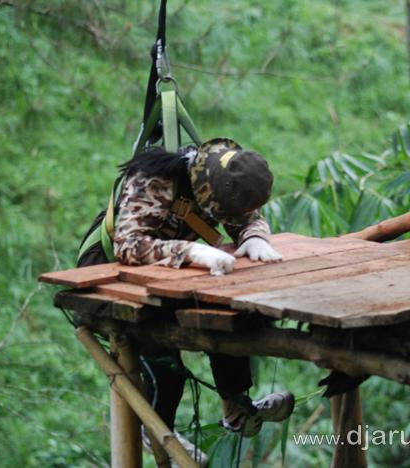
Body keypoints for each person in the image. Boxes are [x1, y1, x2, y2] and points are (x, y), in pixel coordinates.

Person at [77, 138, 295, 462]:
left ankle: (237, 408)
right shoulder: (156, 180)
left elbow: (247, 218)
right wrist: (190, 251)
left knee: (229, 318)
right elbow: (129, 246)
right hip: (109, 275)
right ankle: (156, 429)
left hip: (168, 276)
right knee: (164, 362)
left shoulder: (226, 180)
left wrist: (254, 237)